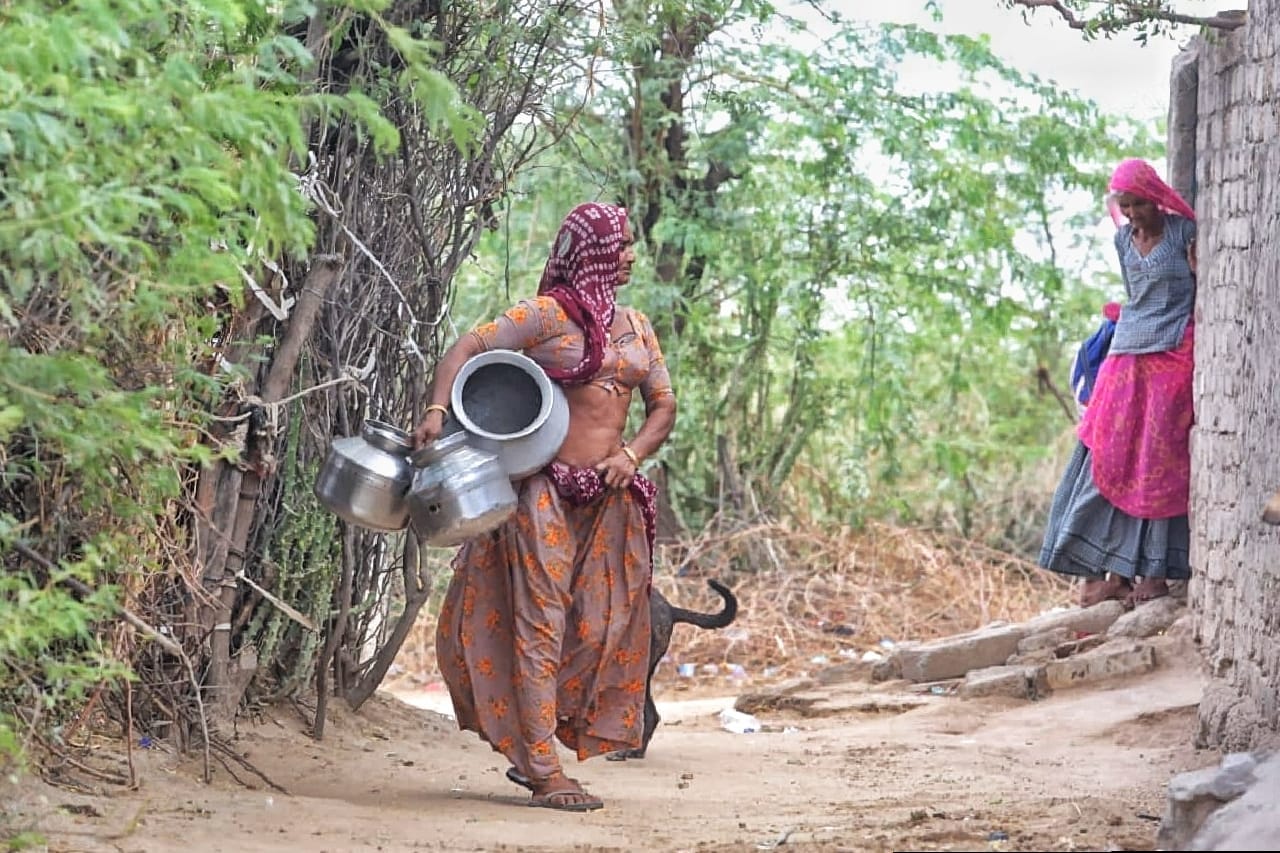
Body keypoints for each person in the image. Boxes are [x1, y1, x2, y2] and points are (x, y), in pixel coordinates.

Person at [412, 201, 677, 812]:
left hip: (609, 502)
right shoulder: (546, 317)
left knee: (601, 624)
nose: (633, 254)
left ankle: (539, 741)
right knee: (540, 625)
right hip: (542, 496)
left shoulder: (636, 328)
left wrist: (631, 456)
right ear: (593, 254)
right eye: (624, 245)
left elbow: (663, 405)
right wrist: (435, 412)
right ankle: (542, 768)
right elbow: (466, 348)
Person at [1039, 158, 1197, 609]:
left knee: (1157, 455)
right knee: (1108, 450)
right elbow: (1135, 296)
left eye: (1138, 205)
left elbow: (1199, 287)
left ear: (1155, 198)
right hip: (1128, 351)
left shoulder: (1184, 233)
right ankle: (1103, 572)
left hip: (1173, 350)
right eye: (1125, 206)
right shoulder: (1122, 240)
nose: (1131, 214)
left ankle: (1152, 570)